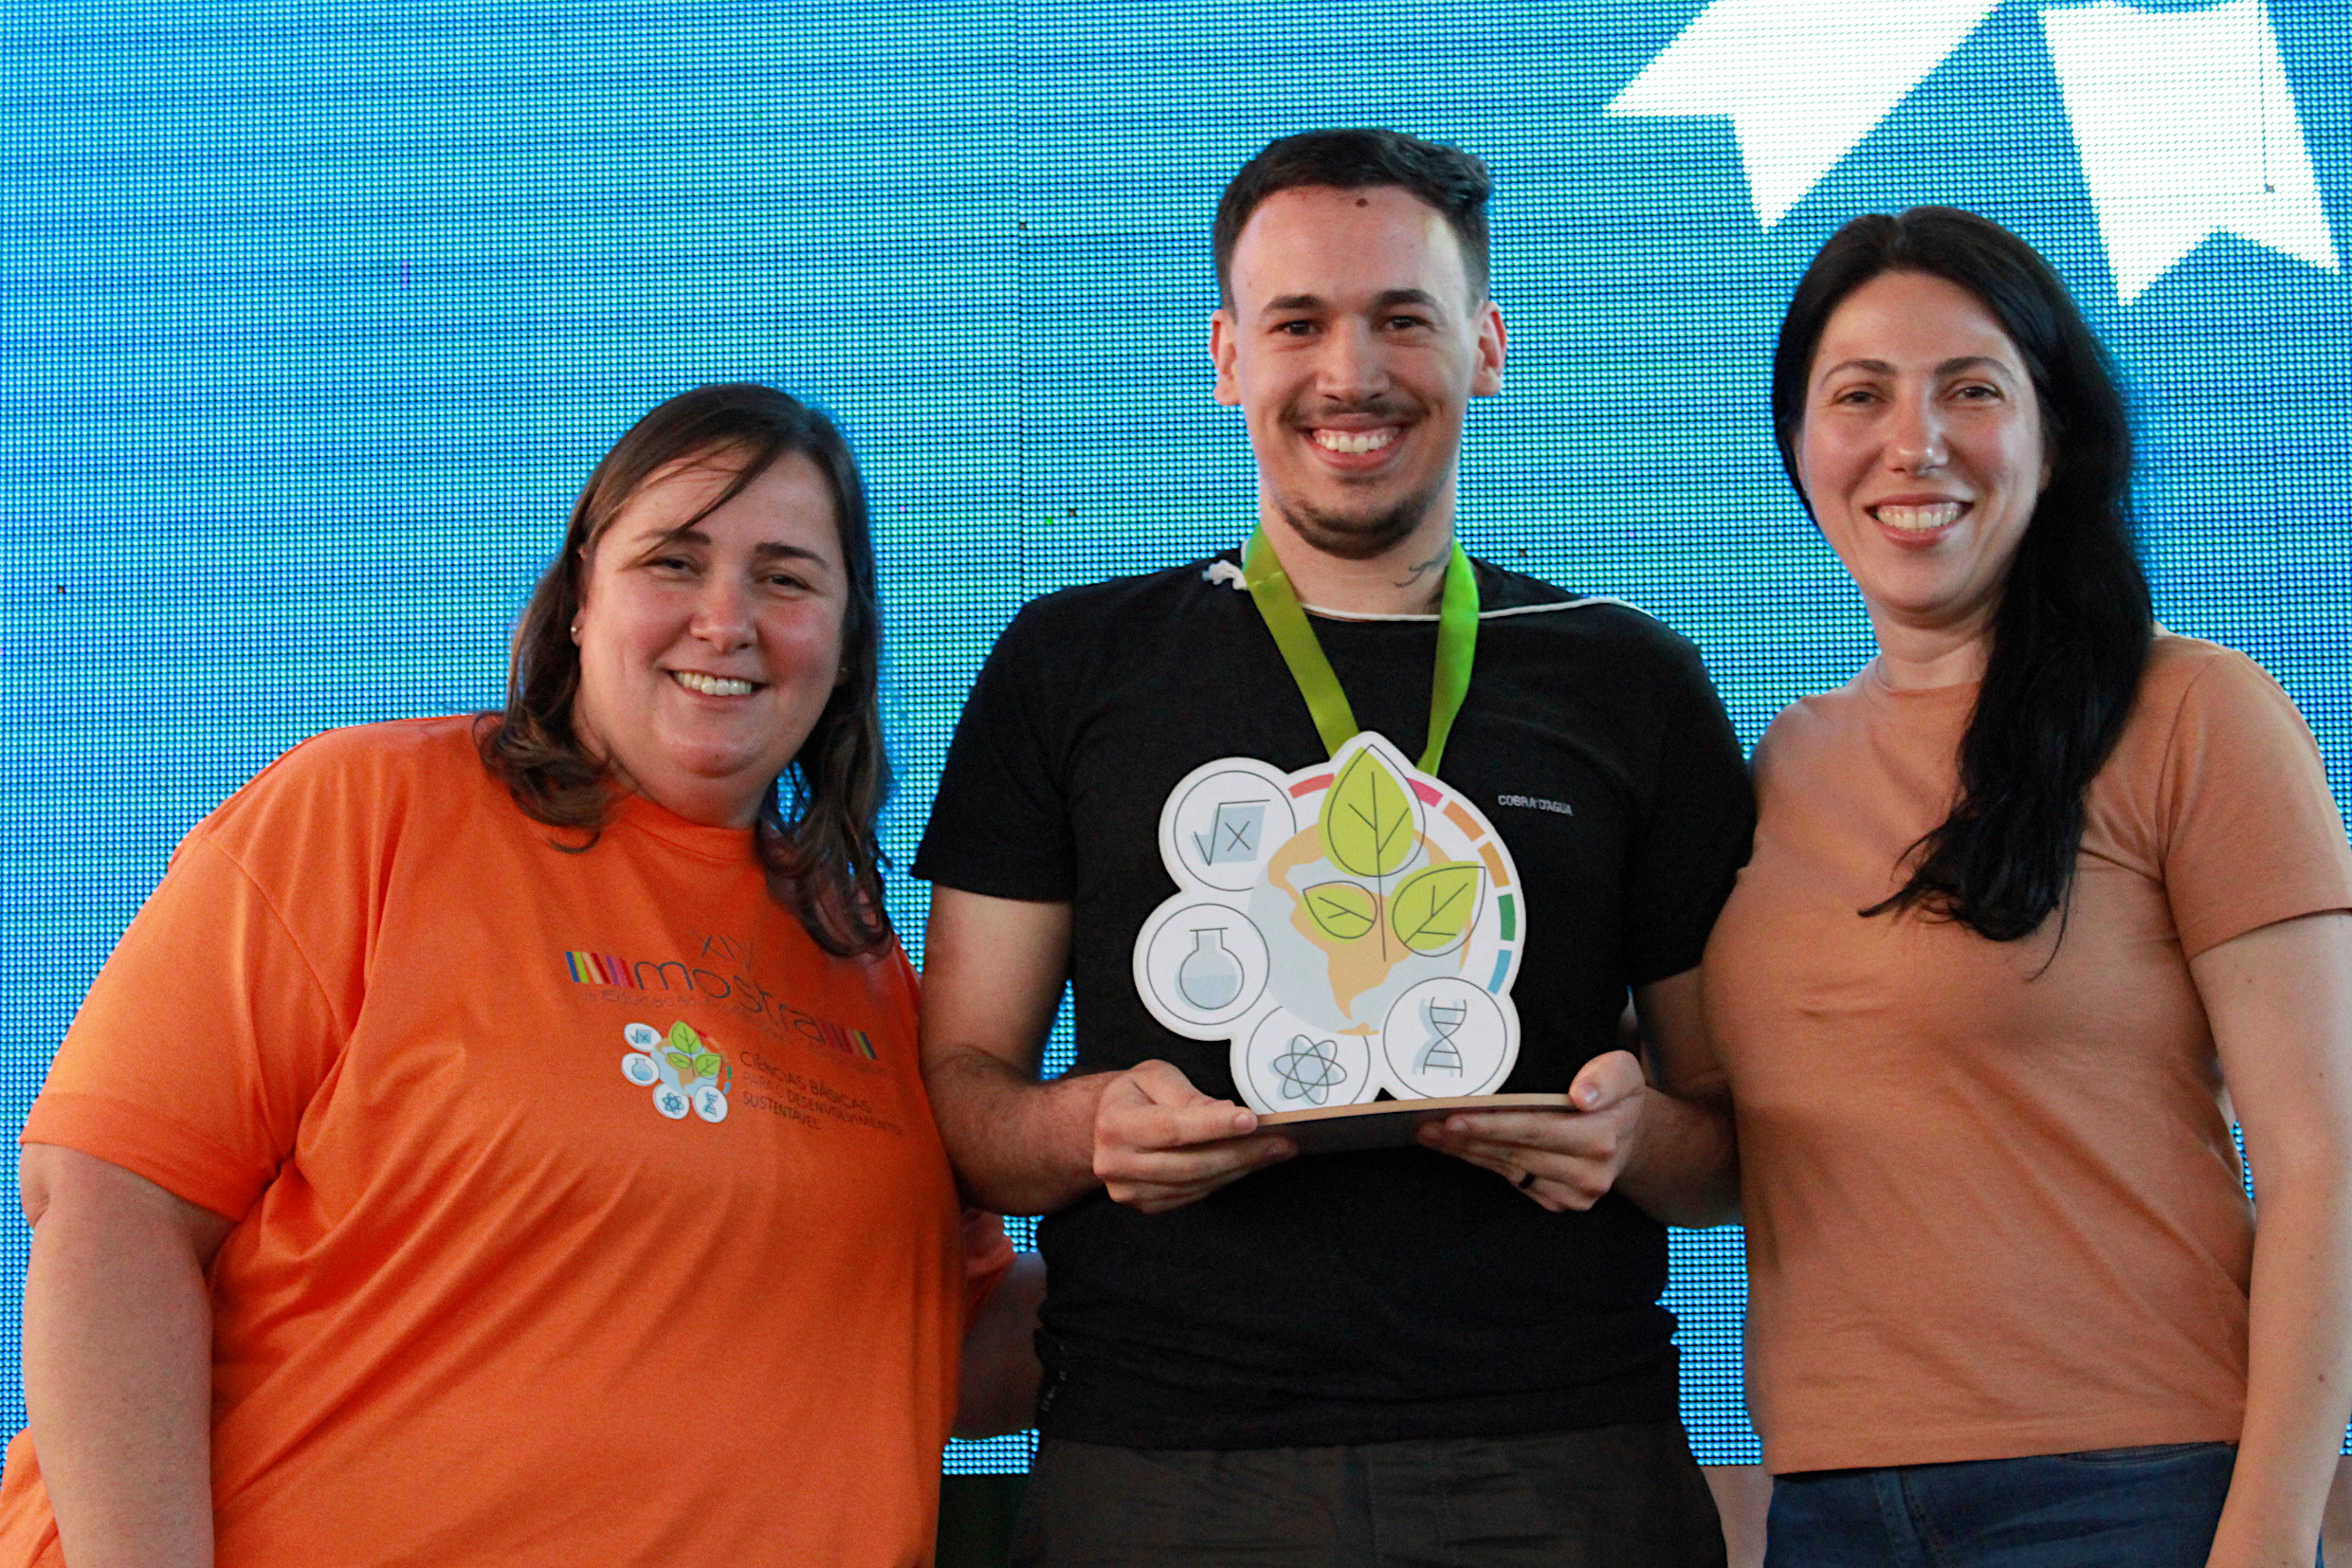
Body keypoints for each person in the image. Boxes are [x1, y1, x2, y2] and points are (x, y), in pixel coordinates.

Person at [0, 383, 1042, 1568]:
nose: (726, 620)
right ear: (581, 598)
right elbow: (113, 1208)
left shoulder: (866, 966)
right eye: (674, 561)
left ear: (849, 642)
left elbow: (939, 1347)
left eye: (787, 578)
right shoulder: (374, 811)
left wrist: (1207, 1237)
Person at [915, 129, 1755, 1565]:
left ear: (1486, 348)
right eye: (1298, 323)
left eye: (1403, 318)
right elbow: (963, 1099)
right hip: (1163, 1459)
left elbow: (1726, 1146)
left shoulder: (1631, 678)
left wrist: (1633, 1136)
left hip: (1558, 1454)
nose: (1350, 372)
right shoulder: (1072, 662)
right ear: (1227, 357)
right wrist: (1083, 1127)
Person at [1700, 207, 2352, 1565]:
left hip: (2130, 1489)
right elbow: (1737, 1146)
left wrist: (2270, 1538)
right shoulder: (1782, 764)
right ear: (1799, 444)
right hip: (1827, 1502)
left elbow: (2324, 1160)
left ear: (2056, 437)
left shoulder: (2195, 715)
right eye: (1859, 395)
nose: (1913, 443)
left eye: (1972, 390)